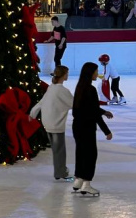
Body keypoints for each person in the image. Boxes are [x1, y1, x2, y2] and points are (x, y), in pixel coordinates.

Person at [72, 62, 114, 196]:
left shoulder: (79, 88)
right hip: (87, 127)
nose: (97, 74)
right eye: (96, 71)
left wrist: (103, 111)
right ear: (90, 73)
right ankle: (86, 184)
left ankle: (78, 180)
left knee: (81, 152)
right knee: (90, 155)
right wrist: (106, 131)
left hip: (77, 126)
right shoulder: (91, 89)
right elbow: (94, 112)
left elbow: (86, 109)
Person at [29, 66, 74, 182]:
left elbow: (41, 103)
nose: (67, 75)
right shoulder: (62, 91)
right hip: (56, 124)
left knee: (56, 148)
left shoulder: (51, 88)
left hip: (48, 123)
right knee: (59, 150)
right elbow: (74, 104)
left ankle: (59, 171)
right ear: (64, 75)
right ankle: (61, 172)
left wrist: (32, 114)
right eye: (67, 73)